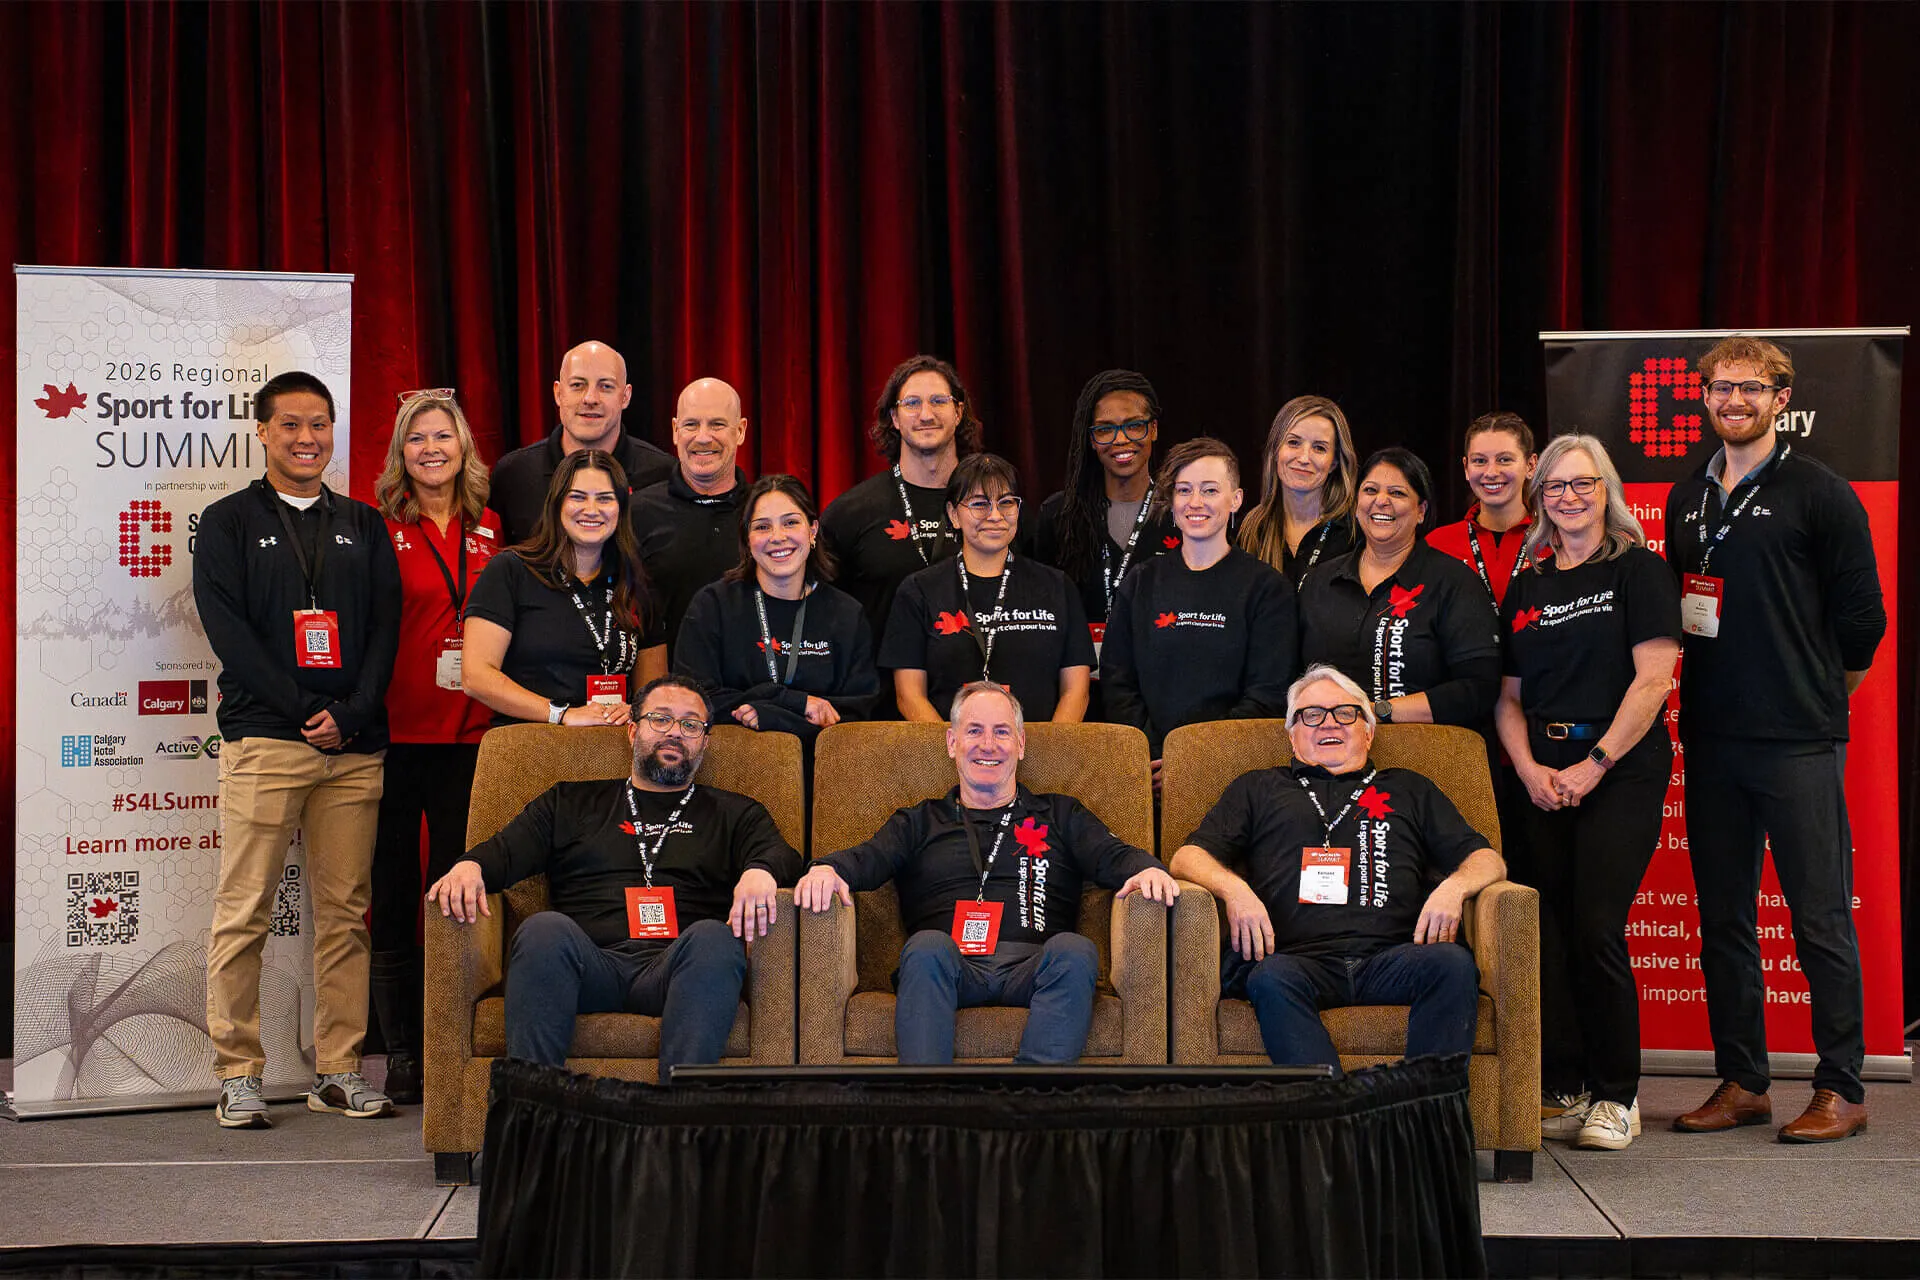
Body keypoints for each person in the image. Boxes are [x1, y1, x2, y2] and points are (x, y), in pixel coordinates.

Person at [1664, 336, 1886, 1143]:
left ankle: (1843, 1087)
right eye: (1720, 387)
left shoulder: (1821, 493)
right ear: (1705, 396)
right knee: (1722, 916)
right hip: (1713, 739)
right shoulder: (1689, 498)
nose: (1733, 400)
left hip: (1796, 741)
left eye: (1750, 388)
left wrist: (1819, 696)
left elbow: (1864, 622)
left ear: (1780, 397)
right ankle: (1743, 1080)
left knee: (1818, 916)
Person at [191, 370, 403, 1128]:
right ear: (263, 433)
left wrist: (350, 712)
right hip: (266, 737)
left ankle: (339, 1068)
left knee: (345, 913)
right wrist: (307, 707)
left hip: (353, 747)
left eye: (319, 424)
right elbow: (230, 636)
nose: (307, 438)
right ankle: (238, 1072)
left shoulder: (365, 523)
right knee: (244, 909)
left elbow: (385, 630)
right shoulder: (226, 522)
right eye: (290, 425)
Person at [425, 676, 804, 1072]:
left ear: (705, 742)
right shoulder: (570, 802)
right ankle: (534, 1116)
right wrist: (470, 866)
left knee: (715, 938)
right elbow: (504, 852)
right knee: (543, 930)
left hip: (678, 968)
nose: (675, 733)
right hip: (588, 964)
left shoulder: (734, 812)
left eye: (691, 725)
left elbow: (784, 857)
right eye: (661, 719)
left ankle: (678, 1119)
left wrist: (760, 870)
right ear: (633, 730)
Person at [796, 681, 1177, 1064]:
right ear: (951, 743)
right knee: (926, 947)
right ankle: (929, 1105)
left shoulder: (1061, 814)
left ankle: (1030, 1102)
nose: (988, 745)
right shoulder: (920, 820)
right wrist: (826, 869)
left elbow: (1115, 855)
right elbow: (866, 858)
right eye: (974, 731)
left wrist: (1149, 869)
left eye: (1001, 732)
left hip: (1036, 965)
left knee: (1075, 951)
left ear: (1021, 744)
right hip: (948, 965)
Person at [1168, 665, 1506, 1074]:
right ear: (1292, 734)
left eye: (1345, 713)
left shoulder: (1409, 788)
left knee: (1452, 964)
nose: (1329, 723)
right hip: (1295, 958)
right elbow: (1187, 857)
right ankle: (1335, 1123)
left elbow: (1488, 859)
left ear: (1368, 731)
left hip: (1394, 957)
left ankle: (1421, 1115)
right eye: (1311, 715)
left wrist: (1455, 888)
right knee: (1269, 978)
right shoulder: (1259, 787)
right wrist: (1234, 890)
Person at [1495, 435, 1680, 1150]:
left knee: (1598, 926)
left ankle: (1618, 1094)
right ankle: (1566, 1084)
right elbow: (1507, 697)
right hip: (1541, 775)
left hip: (1619, 769)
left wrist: (1593, 765)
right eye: (1554, 487)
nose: (1568, 498)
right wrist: (1530, 769)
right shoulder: (1530, 581)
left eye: (1583, 484)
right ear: (1537, 498)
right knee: (1549, 929)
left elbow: (1654, 681)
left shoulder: (1639, 570)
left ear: (1607, 490)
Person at [368, 389, 499, 1105]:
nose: (430, 450)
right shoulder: (376, 526)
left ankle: (449, 1039)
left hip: (470, 738)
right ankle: (402, 1055)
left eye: (442, 437)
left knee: (455, 894)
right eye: (416, 440)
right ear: (400, 452)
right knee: (390, 897)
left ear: (462, 446)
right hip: (392, 737)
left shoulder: (493, 527)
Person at [1101, 438, 1295, 788]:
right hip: (1148, 774)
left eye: (1209, 490)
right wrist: (1156, 757)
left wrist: (1197, 759)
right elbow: (1118, 686)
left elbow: (1267, 695)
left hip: (1235, 775)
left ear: (1235, 499)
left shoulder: (1267, 589)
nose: (1195, 503)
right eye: (1184, 490)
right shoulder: (1140, 583)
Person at [820, 355, 982, 716]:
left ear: (959, 412)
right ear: (894, 418)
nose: (926, 414)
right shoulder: (850, 514)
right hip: (878, 713)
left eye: (939, 401)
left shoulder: (994, 507)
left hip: (980, 714)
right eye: (912, 403)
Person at [1297, 447, 1501, 729]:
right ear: (1357, 503)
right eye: (1370, 490)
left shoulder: (1453, 582)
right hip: (1329, 750)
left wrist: (1377, 710)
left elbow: (1479, 688)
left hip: (1423, 754)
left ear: (1421, 511)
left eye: (1397, 493)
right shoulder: (1319, 582)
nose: (1381, 501)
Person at [883, 454, 1094, 724]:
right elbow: (909, 696)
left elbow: (1077, 692)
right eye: (980, 504)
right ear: (953, 514)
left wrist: (1048, 756)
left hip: (1040, 754)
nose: (995, 516)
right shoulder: (918, 591)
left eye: (1006, 503)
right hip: (948, 756)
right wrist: (953, 753)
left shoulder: (1057, 587)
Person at [463, 450, 667, 726]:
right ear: (557, 503)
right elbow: (475, 676)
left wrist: (634, 710)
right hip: (531, 748)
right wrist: (561, 713)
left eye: (605, 498)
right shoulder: (511, 571)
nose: (592, 510)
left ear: (621, 508)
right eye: (578, 497)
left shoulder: (635, 584)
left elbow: (653, 697)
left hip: (611, 751)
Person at [674, 474, 879, 741]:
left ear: (813, 530)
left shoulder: (847, 615)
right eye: (762, 527)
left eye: (791, 523)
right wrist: (797, 702)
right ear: (747, 538)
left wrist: (773, 716)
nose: (778, 537)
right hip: (730, 767)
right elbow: (693, 700)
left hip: (823, 772)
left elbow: (858, 714)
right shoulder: (712, 607)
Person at [1024, 370, 1178, 716]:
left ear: (1153, 429)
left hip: (1160, 694)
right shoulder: (1058, 516)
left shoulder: (1183, 514)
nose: (1121, 440)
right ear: (1091, 440)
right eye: (1105, 429)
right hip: (1076, 700)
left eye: (1134, 425)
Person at [489, 340, 675, 545]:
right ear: (558, 393)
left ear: (625, 396)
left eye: (605, 386)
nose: (590, 398)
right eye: (578, 385)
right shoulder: (513, 475)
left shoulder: (663, 475)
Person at [632, 377, 751, 655]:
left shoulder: (765, 514)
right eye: (691, 424)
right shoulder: (637, 512)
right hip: (664, 687)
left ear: (741, 430)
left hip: (754, 691)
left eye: (717, 424)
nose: (703, 437)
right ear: (675, 430)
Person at [1237, 395, 1361, 589]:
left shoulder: (1356, 531)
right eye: (1294, 442)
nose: (1304, 458)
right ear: (1276, 450)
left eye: (1319, 448)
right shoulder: (1250, 530)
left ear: (1334, 462)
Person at [1426, 411, 1538, 609]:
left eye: (1504, 460)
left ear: (1531, 465)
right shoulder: (1437, 545)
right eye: (1479, 461)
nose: (1491, 472)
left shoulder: (1554, 539)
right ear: (1466, 468)